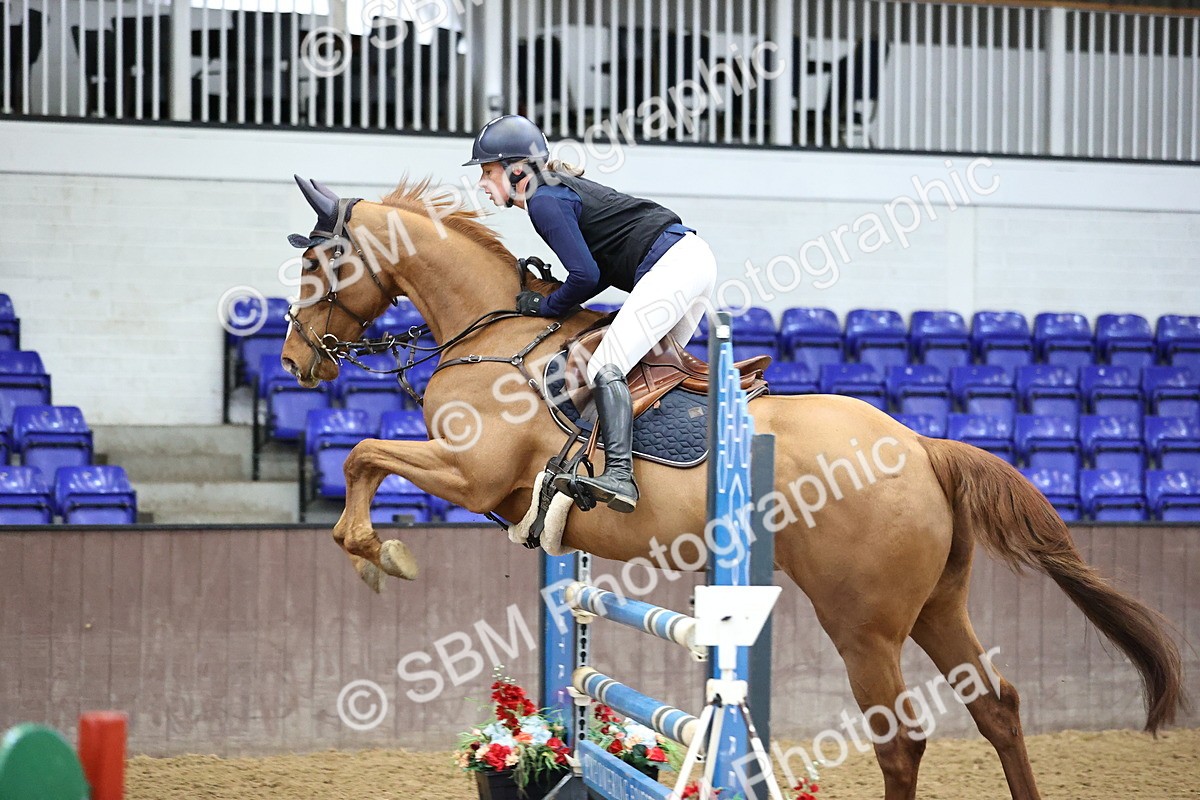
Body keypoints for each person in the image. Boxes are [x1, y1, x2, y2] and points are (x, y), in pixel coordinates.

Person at [464, 114, 717, 513]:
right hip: (689, 261)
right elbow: (597, 270)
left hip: (675, 266)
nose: (481, 182)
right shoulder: (552, 191)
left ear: (517, 169)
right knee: (644, 372)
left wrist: (547, 305)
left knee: (604, 366)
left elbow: (585, 275)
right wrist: (564, 300)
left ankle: (620, 476)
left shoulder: (543, 201)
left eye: (487, 171)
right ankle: (663, 469)